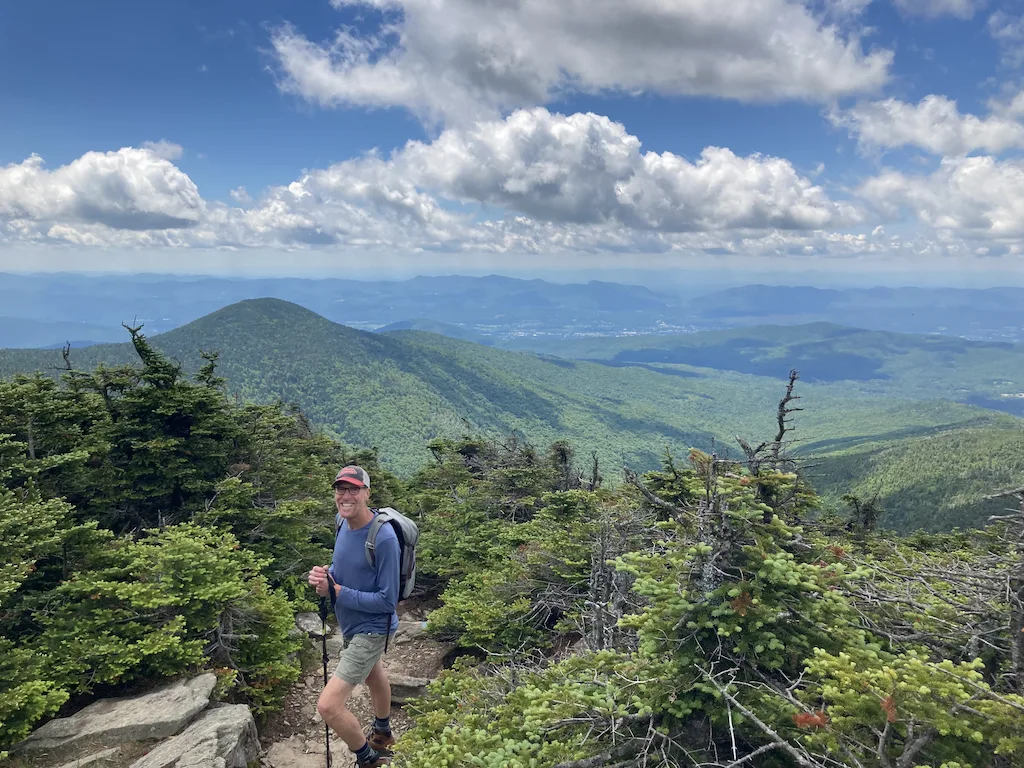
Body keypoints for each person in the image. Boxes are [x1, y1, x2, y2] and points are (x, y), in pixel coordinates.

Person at [309, 465, 399, 768]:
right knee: (374, 674)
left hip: (373, 629)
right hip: (351, 623)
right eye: (340, 489)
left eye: (353, 489)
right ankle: (383, 732)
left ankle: (368, 758)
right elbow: (342, 568)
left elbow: (388, 601)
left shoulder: (383, 538)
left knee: (329, 705)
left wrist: (338, 592)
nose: (345, 496)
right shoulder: (341, 522)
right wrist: (326, 578)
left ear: (367, 493)